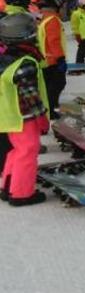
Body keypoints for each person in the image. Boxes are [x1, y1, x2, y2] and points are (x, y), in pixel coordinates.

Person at [0, 13, 50, 206]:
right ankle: (22, 194)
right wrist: (42, 119)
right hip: (24, 118)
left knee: (16, 151)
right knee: (28, 152)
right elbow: (30, 96)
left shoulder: (6, 58)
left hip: (9, 116)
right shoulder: (25, 63)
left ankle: (9, 186)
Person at [36, 0, 68, 119]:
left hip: (45, 60)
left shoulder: (43, 18)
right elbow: (53, 41)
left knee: (50, 86)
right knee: (57, 84)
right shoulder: (53, 20)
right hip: (53, 61)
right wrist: (60, 58)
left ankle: (50, 108)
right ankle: (51, 110)